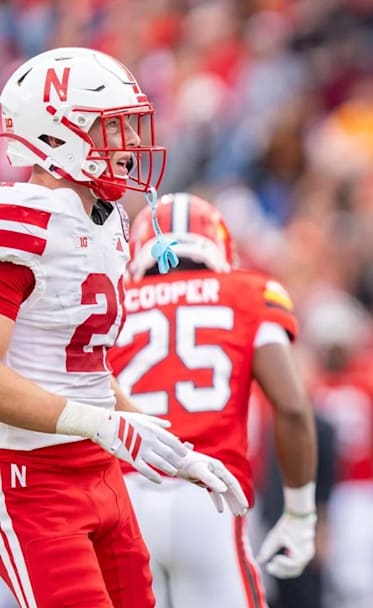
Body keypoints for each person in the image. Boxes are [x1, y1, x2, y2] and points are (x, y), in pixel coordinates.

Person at [0, 47, 247, 607]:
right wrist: (106, 426)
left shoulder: (107, 220)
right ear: (55, 134)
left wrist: (170, 448)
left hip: (101, 473)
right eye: (111, 128)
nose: (131, 145)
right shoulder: (23, 224)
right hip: (32, 481)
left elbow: (83, 366)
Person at [107, 193, 319, 608]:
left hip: (124, 498)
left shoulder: (114, 302)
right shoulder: (249, 292)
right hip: (210, 497)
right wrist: (299, 513)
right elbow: (291, 407)